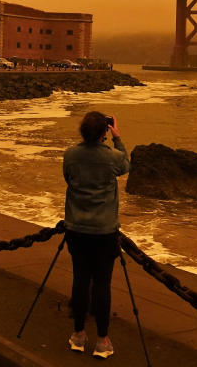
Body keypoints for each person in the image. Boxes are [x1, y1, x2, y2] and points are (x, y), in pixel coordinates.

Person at [63, 111, 129, 359]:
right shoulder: (112, 157)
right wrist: (117, 137)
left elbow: (68, 178)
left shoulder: (71, 154)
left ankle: (78, 335)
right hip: (104, 232)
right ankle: (102, 340)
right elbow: (126, 165)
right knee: (102, 284)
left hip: (77, 229)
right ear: (104, 131)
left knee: (80, 281)